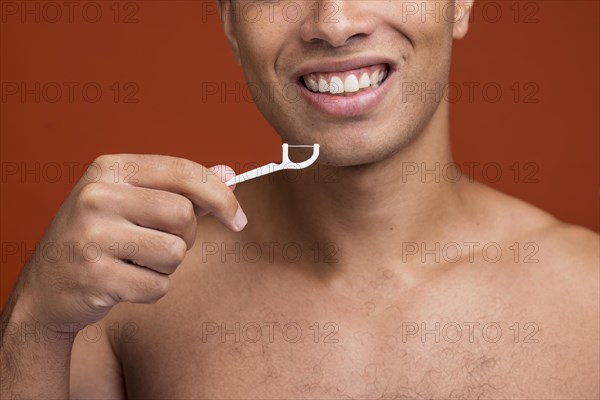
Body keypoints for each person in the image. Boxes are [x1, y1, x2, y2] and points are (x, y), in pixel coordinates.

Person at [1, 0, 598, 398]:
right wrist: (33, 324)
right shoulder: (122, 298)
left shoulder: (589, 301)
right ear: (229, 21)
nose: (334, 23)